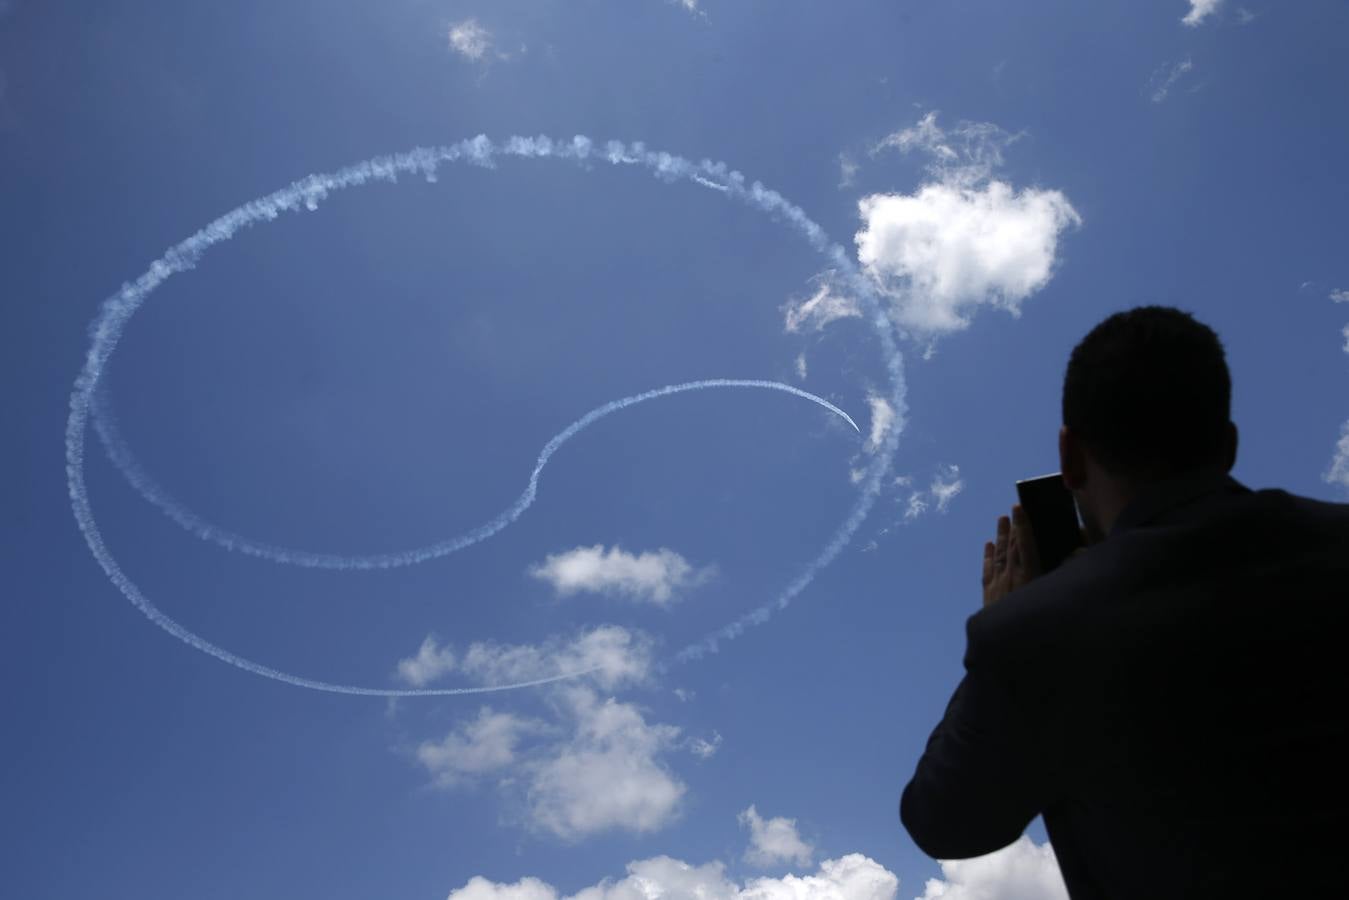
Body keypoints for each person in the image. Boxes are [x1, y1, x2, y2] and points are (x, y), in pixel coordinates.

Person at [899, 305, 1349, 898]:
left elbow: (943, 822)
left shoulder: (1035, 638)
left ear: (1070, 456)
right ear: (1229, 444)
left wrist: (1002, 622)